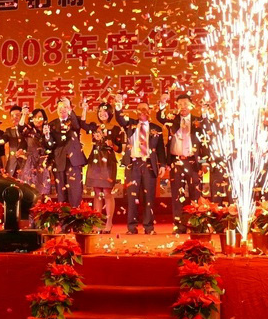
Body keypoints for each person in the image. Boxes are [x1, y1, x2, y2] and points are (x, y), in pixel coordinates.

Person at [115, 95, 166, 235]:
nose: (142, 111)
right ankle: (132, 227)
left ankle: (149, 227)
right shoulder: (130, 124)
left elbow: (160, 149)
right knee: (132, 197)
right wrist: (118, 105)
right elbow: (119, 118)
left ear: (149, 111)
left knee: (149, 197)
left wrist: (162, 165)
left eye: (145, 108)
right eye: (139, 109)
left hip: (149, 164)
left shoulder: (156, 128)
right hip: (133, 164)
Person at [157, 93, 206, 230]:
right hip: (176, 162)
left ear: (191, 105)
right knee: (177, 195)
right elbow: (160, 117)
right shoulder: (172, 119)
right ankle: (179, 226)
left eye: (185, 104)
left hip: (193, 162)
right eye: (180, 104)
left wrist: (204, 162)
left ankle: (197, 225)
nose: (183, 106)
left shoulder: (198, 121)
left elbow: (204, 144)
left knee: (196, 194)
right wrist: (162, 104)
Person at [81, 102, 124, 234]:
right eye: (100, 111)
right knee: (97, 193)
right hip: (95, 160)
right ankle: (97, 223)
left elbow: (119, 149)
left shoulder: (116, 128)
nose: (102, 114)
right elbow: (82, 124)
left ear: (110, 113)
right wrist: (84, 109)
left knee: (107, 192)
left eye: (105, 111)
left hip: (108, 161)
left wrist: (112, 145)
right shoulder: (94, 127)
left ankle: (109, 222)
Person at [45, 97, 87, 207]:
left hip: (74, 161)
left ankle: (76, 215)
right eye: (60, 107)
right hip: (59, 161)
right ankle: (63, 216)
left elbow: (77, 125)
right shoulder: (52, 125)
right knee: (61, 193)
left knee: (75, 192)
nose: (62, 109)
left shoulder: (75, 121)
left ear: (69, 108)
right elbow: (50, 144)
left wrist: (69, 107)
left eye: (65, 107)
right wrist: (47, 136)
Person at [18, 107, 53, 197]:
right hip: (30, 162)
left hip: (43, 162)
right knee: (29, 188)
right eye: (35, 117)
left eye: (40, 117)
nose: (38, 119)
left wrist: (47, 135)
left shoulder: (48, 130)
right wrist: (23, 115)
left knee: (43, 189)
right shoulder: (29, 130)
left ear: (44, 119)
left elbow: (50, 145)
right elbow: (20, 127)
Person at [1, 105, 27, 179]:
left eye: (17, 115)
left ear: (22, 116)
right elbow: (1, 140)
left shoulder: (28, 129)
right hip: (11, 166)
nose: (14, 118)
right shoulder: (9, 131)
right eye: (12, 116)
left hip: (25, 165)